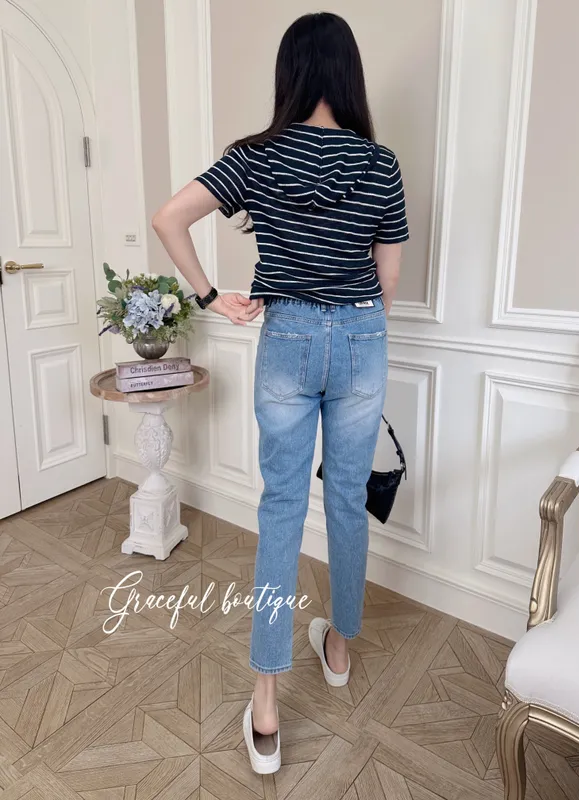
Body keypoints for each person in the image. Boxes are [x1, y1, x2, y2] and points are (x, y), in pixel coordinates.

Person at [152, 11, 409, 774]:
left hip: (288, 336)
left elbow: (169, 219)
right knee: (348, 500)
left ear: (290, 73)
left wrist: (210, 297)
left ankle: (265, 705)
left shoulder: (257, 155)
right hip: (361, 336)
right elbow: (388, 279)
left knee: (280, 510)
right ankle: (338, 651)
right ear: (349, 74)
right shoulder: (381, 163)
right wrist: (353, 322)